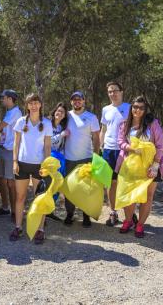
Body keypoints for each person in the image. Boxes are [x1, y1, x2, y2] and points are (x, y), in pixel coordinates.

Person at [117, 96, 163, 238]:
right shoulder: (124, 123)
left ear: (145, 110)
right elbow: (120, 141)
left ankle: (140, 224)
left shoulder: (153, 124)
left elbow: (160, 146)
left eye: (141, 108)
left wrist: (155, 165)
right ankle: (128, 221)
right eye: (135, 107)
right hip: (130, 165)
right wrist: (131, 148)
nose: (137, 110)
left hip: (150, 166)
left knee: (147, 196)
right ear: (131, 108)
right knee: (130, 194)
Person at [10, 93, 53, 244]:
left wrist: (46, 165)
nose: (33, 106)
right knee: (20, 197)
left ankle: (40, 229)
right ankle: (18, 227)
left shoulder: (47, 123)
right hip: (22, 164)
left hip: (39, 166)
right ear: (27, 106)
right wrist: (15, 161)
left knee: (39, 199)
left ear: (40, 105)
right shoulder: (21, 122)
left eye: (36, 103)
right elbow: (16, 143)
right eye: (30, 103)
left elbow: (47, 146)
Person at [63, 91, 100, 227]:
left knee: (86, 188)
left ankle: (86, 215)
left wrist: (96, 156)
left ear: (84, 101)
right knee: (69, 188)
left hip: (86, 158)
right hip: (69, 158)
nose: (77, 102)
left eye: (80, 99)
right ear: (71, 102)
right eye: (74, 100)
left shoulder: (91, 117)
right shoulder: (66, 116)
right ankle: (69, 214)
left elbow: (96, 137)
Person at [100, 81, 130, 226]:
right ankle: (113, 212)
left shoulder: (129, 108)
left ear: (121, 91)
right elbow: (103, 130)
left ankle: (129, 214)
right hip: (108, 150)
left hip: (125, 150)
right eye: (110, 91)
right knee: (110, 183)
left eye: (115, 90)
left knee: (125, 182)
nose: (113, 93)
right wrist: (100, 147)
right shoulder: (105, 109)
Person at [0, 89, 22, 219]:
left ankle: (15, 211)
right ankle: (5, 207)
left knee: (10, 182)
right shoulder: (9, 112)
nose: (1, 100)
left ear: (10, 99)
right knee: (1, 179)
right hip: (3, 149)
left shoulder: (15, 112)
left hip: (10, 151)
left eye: (3, 98)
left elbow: (0, 127)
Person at [47, 102, 69, 222]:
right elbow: (47, 142)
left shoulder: (62, 127)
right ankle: (42, 209)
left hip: (59, 159)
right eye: (58, 111)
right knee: (47, 184)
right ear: (54, 111)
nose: (59, 113)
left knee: (56, 185)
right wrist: (61, 135)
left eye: (62, 112)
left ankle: (50, 210)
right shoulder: (47, 124)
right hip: (47, 159)